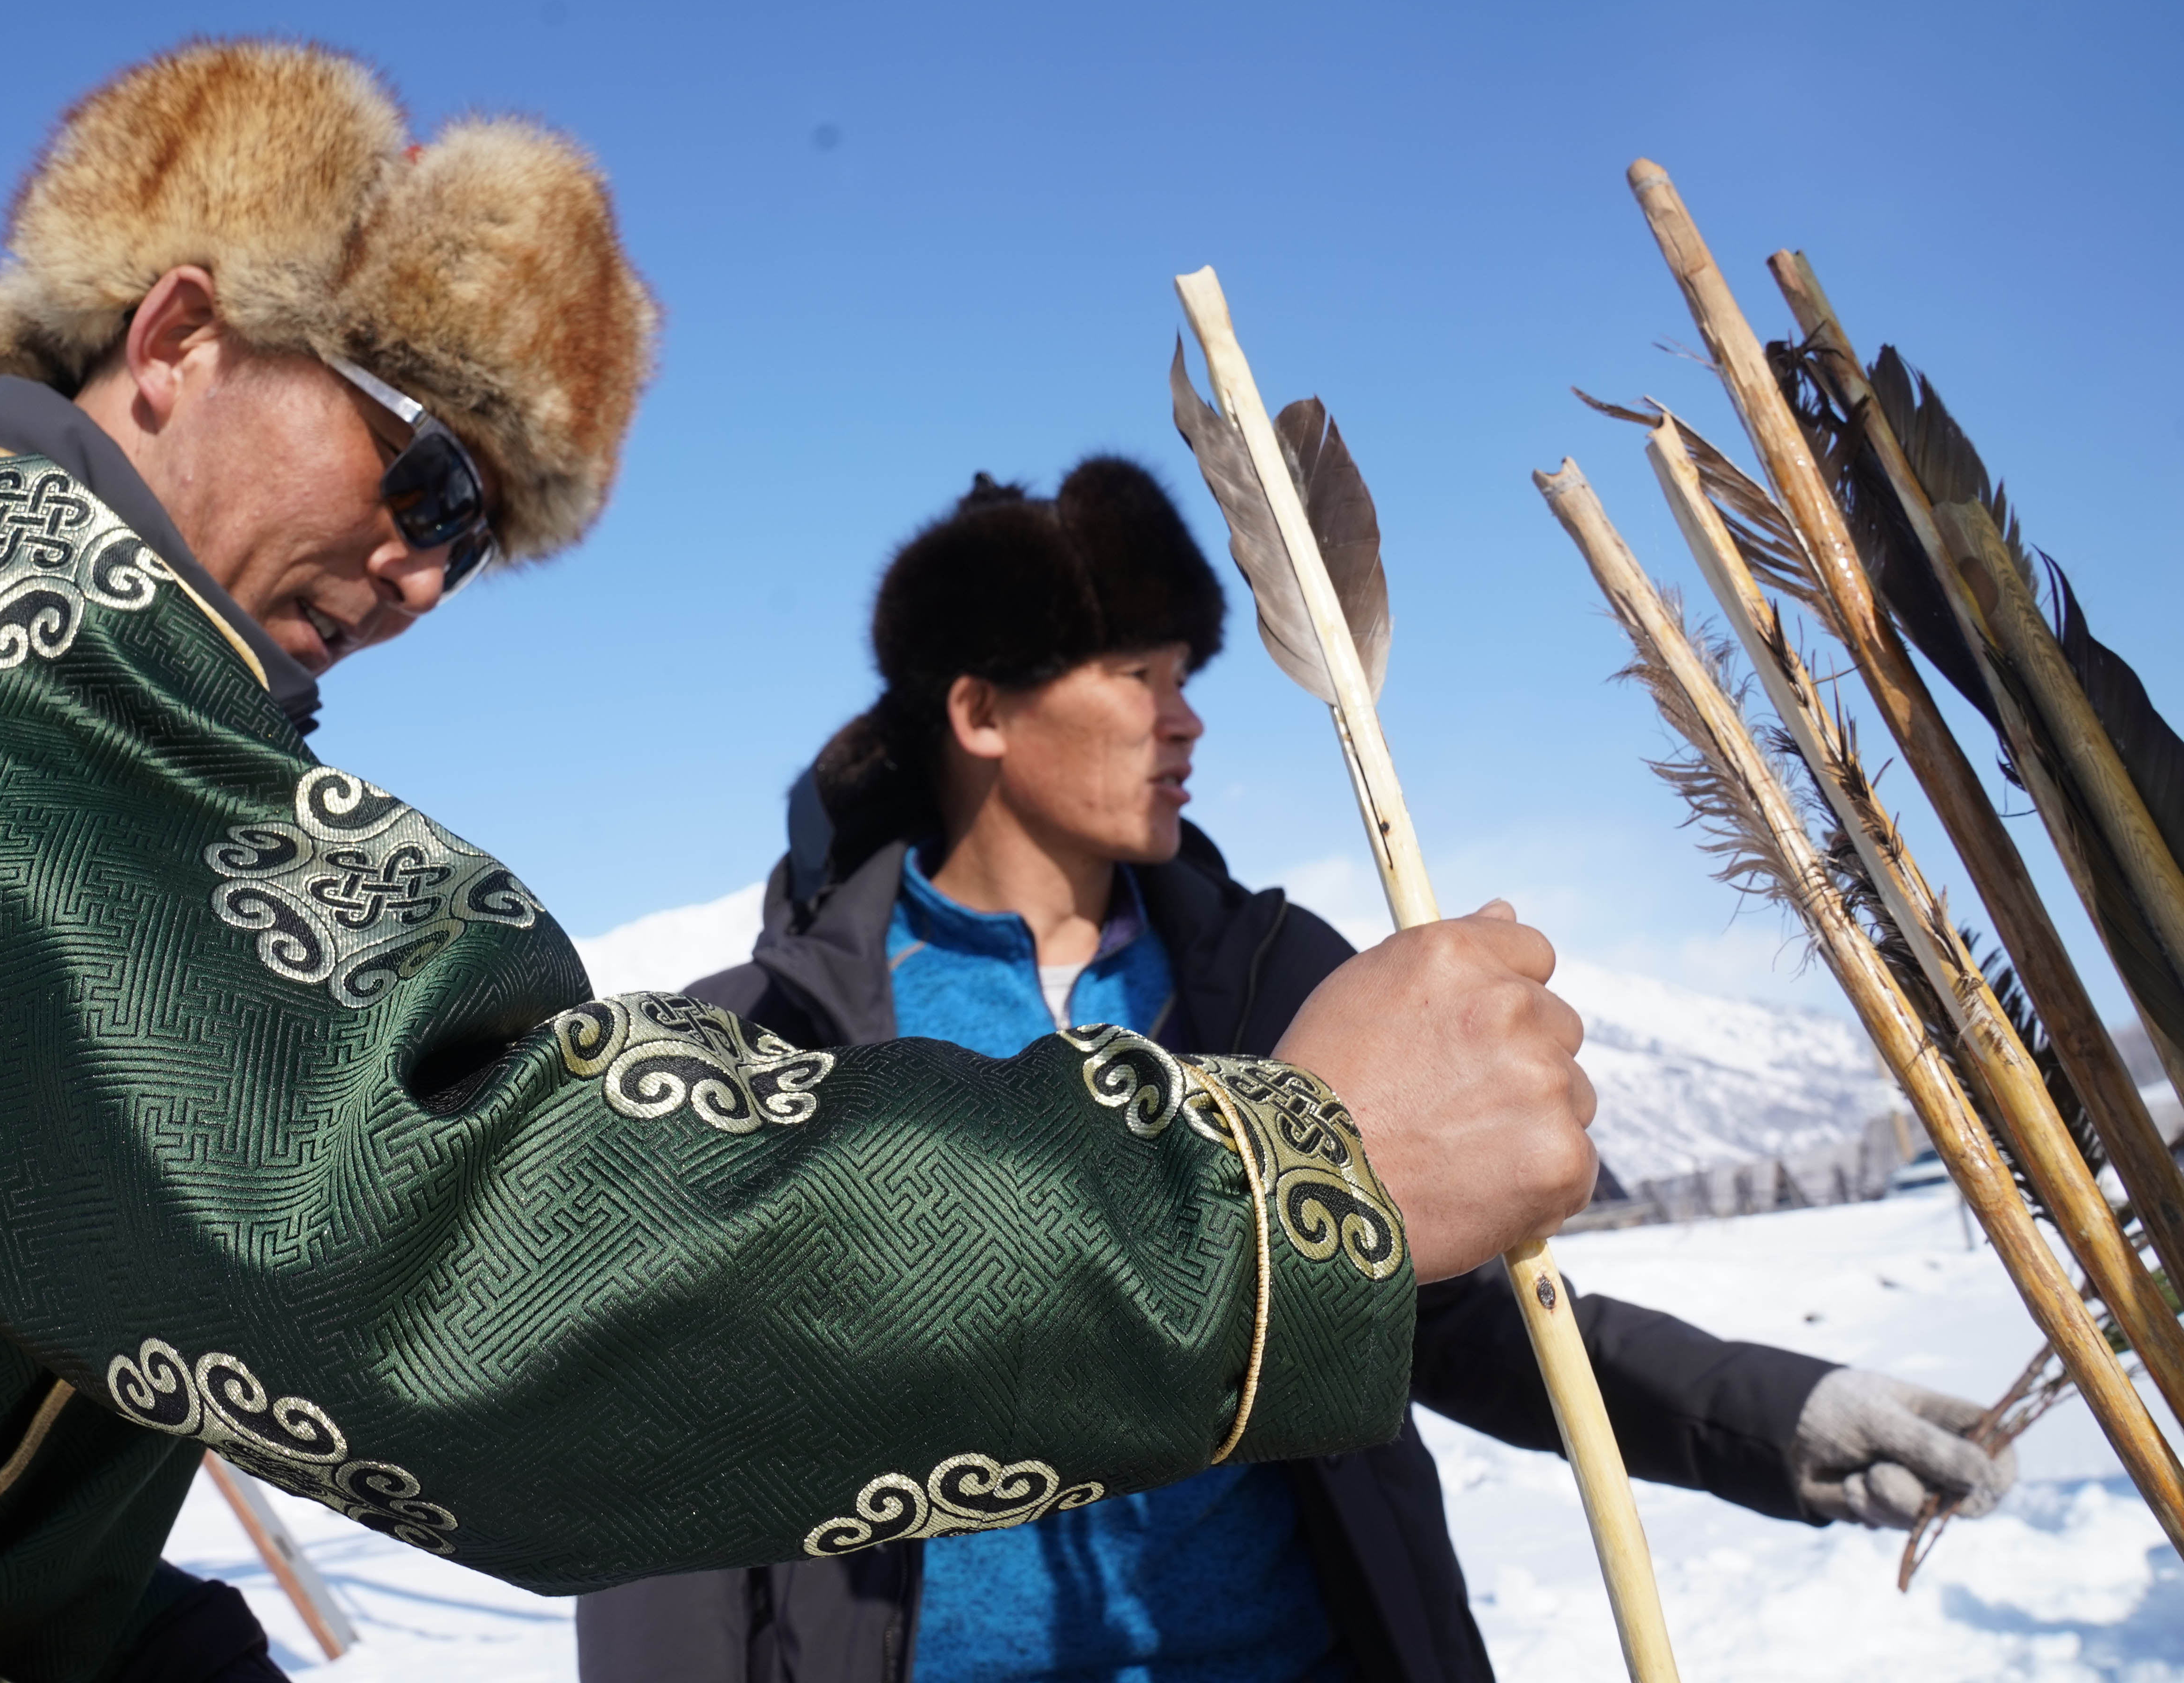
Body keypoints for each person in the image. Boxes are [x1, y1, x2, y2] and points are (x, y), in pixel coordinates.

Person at [0, 42, 1599, 1683]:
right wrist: (1273, 1192)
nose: (430, 579)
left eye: (483, 541)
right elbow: (428, 1221)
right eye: (425, 473)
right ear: (174, 337)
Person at [574, 459, 2019, 1683]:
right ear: (981, 715)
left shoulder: (1266, 989)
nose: (1185, 716)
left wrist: (1778, 1418)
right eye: (1133, 676)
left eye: (1188, 675)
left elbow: (1447, 1314)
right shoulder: (767, 1047)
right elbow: (663, 1494)